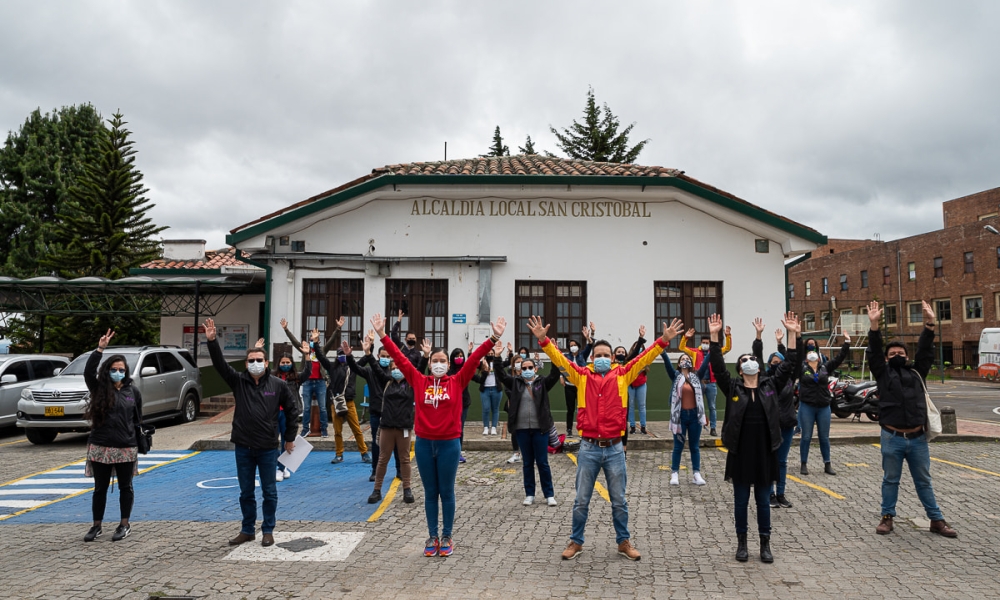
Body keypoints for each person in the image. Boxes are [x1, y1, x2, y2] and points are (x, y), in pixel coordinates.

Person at [533, 314, 684, 562]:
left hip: (615, 448)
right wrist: (544, 341)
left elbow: (644, 358)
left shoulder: (624, 374)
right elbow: (559, 359)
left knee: (619, 501)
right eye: (598, 355)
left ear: (612, 358)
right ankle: (576, 541)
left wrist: (663, 341)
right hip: (589, 448)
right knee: (581, 500)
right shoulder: (581, 376)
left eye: (606, 355)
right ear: (592, 358)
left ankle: (623, 542)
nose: (602, 358)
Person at [373, 312, 506, 558]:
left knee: (447, 491)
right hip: (424, 444)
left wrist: (494, 337)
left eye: (442, 360)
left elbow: (475, 358)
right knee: (430, 492)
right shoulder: (419, 380)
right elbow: (400, 359)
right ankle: (432, 536)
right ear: (429, 360)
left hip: (449, 445)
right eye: (435, 359)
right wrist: (382, 335)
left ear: (448, 363)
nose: (438, 363)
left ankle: (447, 536)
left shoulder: (457, 381)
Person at [709, 312, 797, 564]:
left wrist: (792, 334)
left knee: (762, 501)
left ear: (758, 366)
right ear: (739, 369)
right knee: (740, 501)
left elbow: (789, 364)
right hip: (741, 451)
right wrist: (715, 337)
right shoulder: (733, 387)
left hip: (765, 451)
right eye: (744, 360)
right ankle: (742, 544)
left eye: (752, 359)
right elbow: (716, 366)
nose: (749, 361)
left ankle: (765, 544)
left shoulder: (770, 385)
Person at [204, 318, 299, 548]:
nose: (255, 363)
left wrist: (289, 439)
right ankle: (247, 530)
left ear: (267, 363)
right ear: (246, 364)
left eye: (259, 360)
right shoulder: (238, 381)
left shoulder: (278, 385)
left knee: (269, 491)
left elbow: (292, 410)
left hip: (267, 447)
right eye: (251, 360)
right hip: (243, 447)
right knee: (246, 492)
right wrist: (212, 342)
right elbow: (219, 365)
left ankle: (268, 530)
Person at [867, 300, 957, 538]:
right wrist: (874, 326)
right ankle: (887, 518)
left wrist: (929, 324)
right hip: (892, 436)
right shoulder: (882, 373)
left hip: (917, 438)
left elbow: (926, 350)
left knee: (924, 481)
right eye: (892, 353)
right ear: (886, 358)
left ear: (907, 356)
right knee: (890, 480)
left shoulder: (917, 372)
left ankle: (936, 520)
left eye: (901, 353)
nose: (897, 355)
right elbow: (874, 352)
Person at [82, 329, 143, 543]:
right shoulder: (99, 389)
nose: (118, 372)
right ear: (107, 371)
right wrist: (100, 349)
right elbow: (88, 372)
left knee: (126, 487)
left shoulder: (132, 392)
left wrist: (138, 441)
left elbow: (137, 419)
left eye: (121, 369)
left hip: (126, 446)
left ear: (126, 372)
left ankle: (124, 524)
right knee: (100, 488)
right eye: (114, 369)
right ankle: (96, 526)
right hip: (101, 446)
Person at [494, 353, 561, 506]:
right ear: (519, 370)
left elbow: (555, 373)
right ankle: (529, 494)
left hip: (540, 429)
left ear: (536, 368)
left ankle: (549, 494)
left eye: (530, 367)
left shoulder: (542, 382)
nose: (527, 370)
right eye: (524, 368)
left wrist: (553, 352)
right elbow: (500, 375)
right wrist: (497, 357)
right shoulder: (515, 383)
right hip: (522, 430)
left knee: (543, 463)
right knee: (527, 463)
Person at [356, 351, 416, 506]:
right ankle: (377, 490)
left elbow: (420, 367)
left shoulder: (411, 384)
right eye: (393, 366)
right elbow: (375, 368)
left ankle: (407, 489)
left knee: (404, 459)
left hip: (404, 427)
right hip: (387, 426)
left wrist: (424, 356)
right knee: (383, 459)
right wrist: (368, 354)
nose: (396, 369)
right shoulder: (387, 381)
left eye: (399, 366)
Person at [347, 333, 405, 480]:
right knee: (376, 443)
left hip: (392, 413)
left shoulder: (393, 373)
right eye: (383, 356)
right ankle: (375, 471)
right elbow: (355, 368)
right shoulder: (369, 371)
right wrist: (349, 356)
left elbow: (382, 374)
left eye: (388, 356)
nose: (385, 358)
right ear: (378, 356)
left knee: (397, 443)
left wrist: (369, 352)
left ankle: (399, 470)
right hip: (376, 412)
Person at [797, 329, 850, 476]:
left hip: (824, 406)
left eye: (815, 355)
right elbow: (795, 356)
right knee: (806, 436)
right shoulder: (801, 368)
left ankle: (827, 464)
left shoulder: (825, 368)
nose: (812, 355)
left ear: (819, 358)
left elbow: (839, 358)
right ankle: (803, 464)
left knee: (824, 437)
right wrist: (797, 336)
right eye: (809, 355)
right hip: (807, 406)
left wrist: (847, 342)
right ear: (806, 359)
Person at [281, 316, 342, 434]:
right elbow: (294, 342)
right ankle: (305, 429)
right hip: (307, 382)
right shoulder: (305, 351)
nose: (312, 342)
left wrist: (338, 328)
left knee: (323, 408)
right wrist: (286, 329)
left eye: (315, 340)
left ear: (318, 342)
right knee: (307, 408)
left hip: (320, 382)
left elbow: (331, 341)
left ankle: (324, 429)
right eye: (311, 339)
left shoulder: (321, 351)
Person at [662, 346, 711, 486]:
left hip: (695, 416)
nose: (685, 361)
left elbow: (706, 362)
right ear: (679, 363)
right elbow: (666, 363)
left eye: (687, 359)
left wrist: (712, 349)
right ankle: (674, 473)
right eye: (682, 359)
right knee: (678, 446)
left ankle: (696, 474)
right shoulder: (676, 376)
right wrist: (662, 350)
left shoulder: (696, 376)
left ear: (691, 362)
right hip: (680, 417)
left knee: (694, 446)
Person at [761, 328, 798, 509]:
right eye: (773, 362)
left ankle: (781, 494)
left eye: (779, 362)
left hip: (787, 424)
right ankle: (769, 494)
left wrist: (783, 342)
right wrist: (759, 337)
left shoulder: (789, 378)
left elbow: (792, 361)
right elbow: (757, 357)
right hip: (769, 426)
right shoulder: (765, 379)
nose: (777, 364)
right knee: (770, 461)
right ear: (769, 364)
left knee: (782, 461)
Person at [679, 328, 733, 437]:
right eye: (703, 343)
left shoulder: (714, 352)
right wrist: (686, 337)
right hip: (698, 383)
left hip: (711, 383)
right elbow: (681, 347)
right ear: (700, 343)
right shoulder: (695, 352)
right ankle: (698, 426)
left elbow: (727, 348)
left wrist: (728, 336)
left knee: (712, 406)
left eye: (707, 343)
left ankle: (713, 428)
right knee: (697, 405)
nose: (705, 344)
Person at [328, 339, 370, 464]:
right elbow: (320, 356)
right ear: (336, 356)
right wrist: (316, 344)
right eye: (339, 354)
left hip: (350, 402)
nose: (342, 356)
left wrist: (370, 345)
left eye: (344, 354)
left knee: (357, 429)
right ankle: (339, 454)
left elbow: (366, 359)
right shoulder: (332, 368)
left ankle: (364, 453)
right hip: (336, 403)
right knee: (337, 431)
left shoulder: (353, 367)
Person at [562, 323, 595, 435]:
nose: (573, 347)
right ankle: (569, 429)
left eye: (574, 344)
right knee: (570, 409)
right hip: (569, 385)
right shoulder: (566, 357)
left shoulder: (582, 355)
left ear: (578, 346)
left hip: (581, 385)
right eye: (571, 345)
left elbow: (590, 344)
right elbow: (561, 366)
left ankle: (585, 427)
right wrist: (561, 376)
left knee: (583, 407)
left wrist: (589, 336)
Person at [273, 351, 301, 482]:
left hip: (288, 413)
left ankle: (282, 468)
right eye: (283, 362)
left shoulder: (295, 377)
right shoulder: (273, 376)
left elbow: (307, 372)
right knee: (272, 441)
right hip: (273, 412)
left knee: (287, 441)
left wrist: (307, 355)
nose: (285, 365)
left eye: (288, 362)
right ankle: (277, 465)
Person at [626, 327, 649, 434]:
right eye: (636, 347)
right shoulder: (629, 358)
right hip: (631, 384)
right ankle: (632, 426)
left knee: (642, 405)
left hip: (641, 384)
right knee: (631, 406)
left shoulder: (645, 359)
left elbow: (646, 370)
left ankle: (643, 426)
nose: (638, 349)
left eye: (640, 347)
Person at [477, 347, 504, 435]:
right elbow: (473, 363)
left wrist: (509, 353)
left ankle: (494, 428)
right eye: (488, 353)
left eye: (492, 353)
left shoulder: (496, 363)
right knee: (486, 409)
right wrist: (470, 352)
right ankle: (485, 427)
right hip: (485, 389)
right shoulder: (483, 363)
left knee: (495, 409)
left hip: (496, 388)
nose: (490, 355)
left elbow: (505, 364)